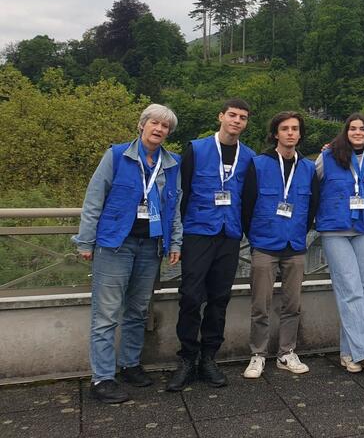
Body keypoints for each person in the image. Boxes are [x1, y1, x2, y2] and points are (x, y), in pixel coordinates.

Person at [73, 104, 182, 404]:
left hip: (150, 247)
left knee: (137, 311)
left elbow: (174, 207)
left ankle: (130, 364)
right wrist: (85, 241)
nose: (159, 129)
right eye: (154, 123)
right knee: (106, 314)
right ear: (142, 125)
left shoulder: (172, 164)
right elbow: (94, 199)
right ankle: (103, 378)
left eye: (165, 127)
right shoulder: (117, 156)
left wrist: (175, 243)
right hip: (115, 245)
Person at [167, 99, 255, 391]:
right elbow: (183, 191)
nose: (237, 121)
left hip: (229, 234)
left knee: (219, 299)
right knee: (191, 296)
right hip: (197, 232)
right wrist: (175, 236)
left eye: (242, 117)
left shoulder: (249, 157)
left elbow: (249, 198)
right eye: (232, 115)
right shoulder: (197, 148)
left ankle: (209, 357)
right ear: (221, 116)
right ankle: (187, 358)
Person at [241, 111, 319, 378]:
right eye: (284, 128)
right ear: (276, 133)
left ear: (299, 134)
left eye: (295, 129)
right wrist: (254, 235)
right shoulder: (259, 164)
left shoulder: (307, 168)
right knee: (259, 305)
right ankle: (258, 354)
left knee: (292, 304)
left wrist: (299, 231)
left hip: (294, 245)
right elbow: (247, 204)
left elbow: (312, 207)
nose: (290, 133)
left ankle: (286, 352)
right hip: (264, 243)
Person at [315, 113, 364, 377]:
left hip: (363, 228)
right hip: (334, 229)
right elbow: (312, 185)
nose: (358, 132)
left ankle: (348, 352)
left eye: (363, 129)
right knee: (350, 289)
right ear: (345, 132)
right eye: (353, 128)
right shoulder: (328, 157)